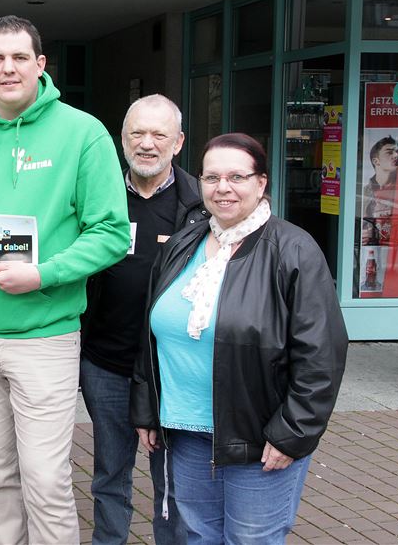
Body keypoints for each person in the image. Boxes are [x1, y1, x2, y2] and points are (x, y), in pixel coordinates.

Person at [0, 15, 131, 544]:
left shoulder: (83, 133)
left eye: (18, 57)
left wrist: (42, 274)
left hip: (44, 338)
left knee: (46, 482)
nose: (7, 68)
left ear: (40, 64)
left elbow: (110, 233)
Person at [130, 133, 348, 544]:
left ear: (261, 182)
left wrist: (292, 434)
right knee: (198, 535)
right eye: (211, 178)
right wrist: (146, 410)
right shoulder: (183, 243)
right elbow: (151, 336)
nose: (222, 188)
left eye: (236, 177)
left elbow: (322, 355)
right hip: (186, 431)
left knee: (251, 539)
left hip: (259, 437)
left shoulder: (293, 250)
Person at [81, 94, 203, 545]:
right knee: (109, 474)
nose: (147, 143)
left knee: (173, 483)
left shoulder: (202, 205)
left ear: (178, 142)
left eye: (158, 134)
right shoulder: (97, 195)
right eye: (137, 133)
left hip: (171, 369)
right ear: (122, 138)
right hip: (106, 363)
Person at [361, 136, 398, 245]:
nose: (395, 155)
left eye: (396, 152)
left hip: (395, 249)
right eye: (389, 152)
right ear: (376, 161)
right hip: (370, 249)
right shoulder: (363, 193)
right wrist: (360, 234)